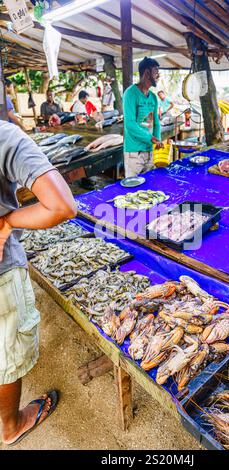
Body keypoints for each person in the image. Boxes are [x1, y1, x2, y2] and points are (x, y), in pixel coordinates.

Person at [0, 120, 77, 446]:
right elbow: (62, 206)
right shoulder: (4, 136)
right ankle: (10, 425)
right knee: (6, 353)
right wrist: (8, 220)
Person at [123, 57, 163, 178]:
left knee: (149, 187)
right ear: (147, 73)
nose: (158, 76)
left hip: (149, 150)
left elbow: (156, 122)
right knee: (133, 190)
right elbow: (130, 125)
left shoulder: (153, 97)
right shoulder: (130, 93)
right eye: (156, 72)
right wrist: (150, 138)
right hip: (134, 152)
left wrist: (158, 139)